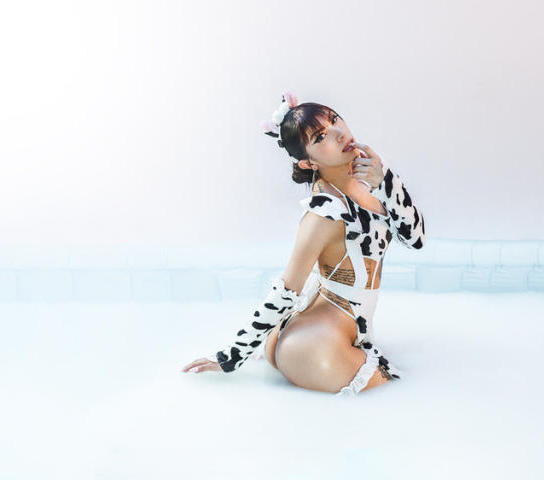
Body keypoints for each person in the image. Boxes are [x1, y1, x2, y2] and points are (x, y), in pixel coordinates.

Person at [182, 89, 426, 396]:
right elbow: (287, 289)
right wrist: (231, 357)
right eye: (321, 137)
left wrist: (387, 180)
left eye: (335, 120)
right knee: (395, 391)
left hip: (334, 328)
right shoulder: (323, 213)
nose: (339, 133)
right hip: (313, 347)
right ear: (308, 163)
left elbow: (415, 239)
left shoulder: (368, 181)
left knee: (396, 389)